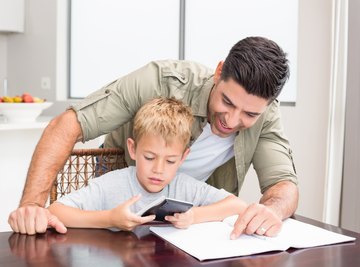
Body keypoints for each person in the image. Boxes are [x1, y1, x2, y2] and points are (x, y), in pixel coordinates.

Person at [8, 36, 298, 237]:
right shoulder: (160, 79)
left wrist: (270, 211)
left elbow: (284, 185)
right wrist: (32, 207)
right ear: (219, 73)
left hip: (186, 211)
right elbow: (67, 125)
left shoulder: (267, 116)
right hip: (123, 193)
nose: (232, 121)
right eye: (227, 102)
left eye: (249, 115)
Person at [46, 97, 248, 234]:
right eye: (150, 157)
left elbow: (238, 206)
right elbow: (55, 211)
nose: (159, 169)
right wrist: (109, 218)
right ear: (133, 149)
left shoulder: (184, 185)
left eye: (170, 161)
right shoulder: (112, 184)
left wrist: (194, 216)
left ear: (184, 157)